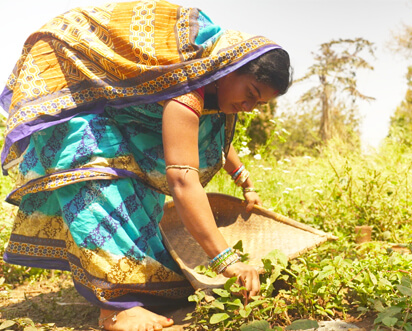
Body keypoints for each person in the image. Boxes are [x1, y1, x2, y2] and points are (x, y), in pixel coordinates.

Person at [0, 1, 292, 330]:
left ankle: (128, 287)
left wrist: (244, 181)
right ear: (230, 67)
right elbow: (182, 179)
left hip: (114, 107)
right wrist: (227, 262)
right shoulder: (190, 84)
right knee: (100, 178)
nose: (250, 106)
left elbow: (211, 138)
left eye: (259, 103)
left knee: (144, 201)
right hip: (72, 86)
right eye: (251, 93)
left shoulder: (213, 86)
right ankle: (115, 308)